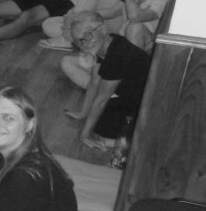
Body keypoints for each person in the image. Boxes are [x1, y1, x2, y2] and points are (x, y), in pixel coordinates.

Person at [62, 13, 152, 151]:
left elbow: (101, 100)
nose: (84, 44)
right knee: (99, 122)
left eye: (87, 36)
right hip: (131, 97)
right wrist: (83, 113)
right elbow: (94, 82)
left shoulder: (117, 55)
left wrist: (84, 135)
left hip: (145, 106)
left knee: (103, 132)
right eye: (78, 41)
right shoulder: (108, 42)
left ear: (102, 29)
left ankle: (133, 143)